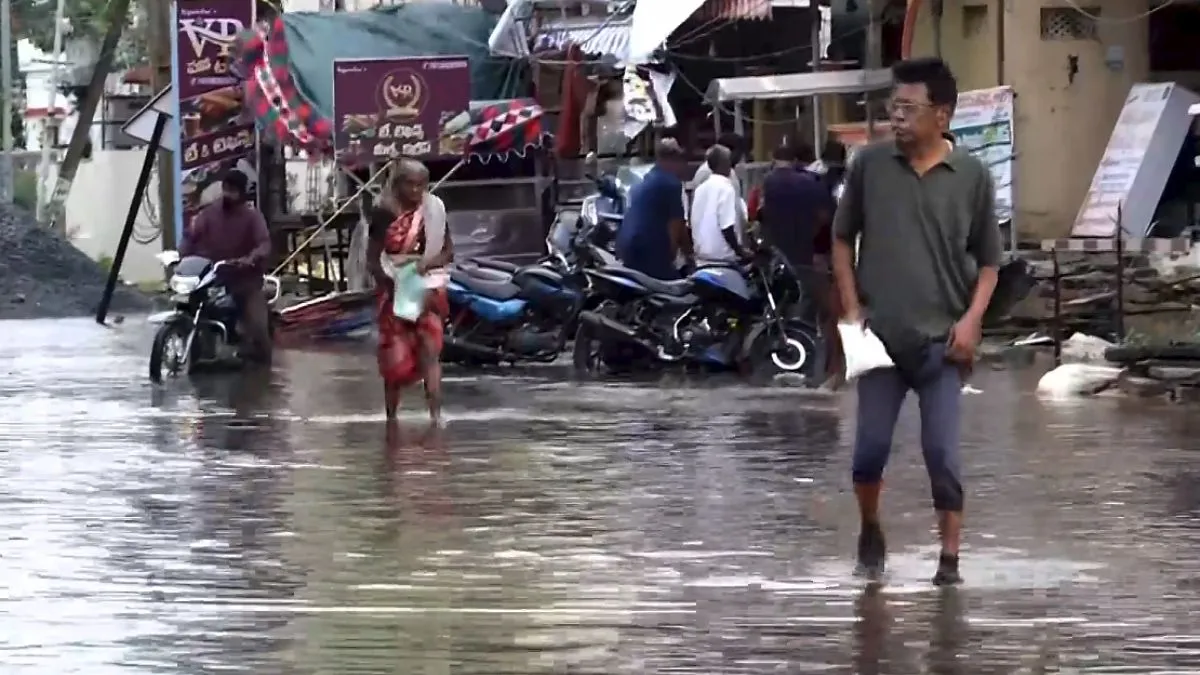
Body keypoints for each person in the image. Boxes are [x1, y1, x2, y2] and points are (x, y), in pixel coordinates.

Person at [831, 57, 1002, 586]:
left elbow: (990, 263)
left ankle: (949, 563)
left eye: (908, 108)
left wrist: (972, 322)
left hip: (943, 343)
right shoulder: (869, 166)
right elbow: (841, 239)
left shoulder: (972, 177)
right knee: (868, 453)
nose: (897, 117)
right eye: (893, 107)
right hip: (880, 341)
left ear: (942, 115)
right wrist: (852, 308)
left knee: (942, 455)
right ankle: (870, 527)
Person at [366, 158, 455, 425]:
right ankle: (391, 420)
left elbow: (448, 251)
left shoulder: (434, 210)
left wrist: (426, 265)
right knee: (394, 358)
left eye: (421, 185)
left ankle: (436, 418)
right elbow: (372, 259)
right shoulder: (384, 212)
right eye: (410, 184)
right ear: (397, 184)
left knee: (430, 351)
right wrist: (393, 286)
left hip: (428, 287)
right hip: (394, 289)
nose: (416, 191)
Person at [757, 143, 840, 387]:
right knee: (817, 311)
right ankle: (818, 366)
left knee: (784, 308)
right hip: (808, 256)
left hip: (777, 257)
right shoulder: (813, 184)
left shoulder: (768, 183)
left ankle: (787, 359)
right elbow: (827, 218)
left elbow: (759, 216)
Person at [179, 169, 273, 363]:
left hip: (244, 277)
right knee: (191, 302)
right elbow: (191, 235)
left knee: (256, 323)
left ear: (242, 192)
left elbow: (264, 243)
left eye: (233, 190)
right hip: (214, 274)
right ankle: (200, 347)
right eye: (226, 189)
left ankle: (262, 363)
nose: (228, 194)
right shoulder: (209, 214)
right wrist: (182, 254)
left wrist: (250, 258)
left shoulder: (252, 216)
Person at [615, 138, 691, 279]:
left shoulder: (645, 179)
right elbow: (677, 227)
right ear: (672, 159)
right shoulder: (671, 183)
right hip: (649, 250)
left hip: (626, 248)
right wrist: (688, 256)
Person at [690, 144, 752, 267]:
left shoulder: (700, 189)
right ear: (723, 163)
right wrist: (740, 251)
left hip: (701, 259)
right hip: (722, 260)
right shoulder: (726, 188)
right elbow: (727, 227)